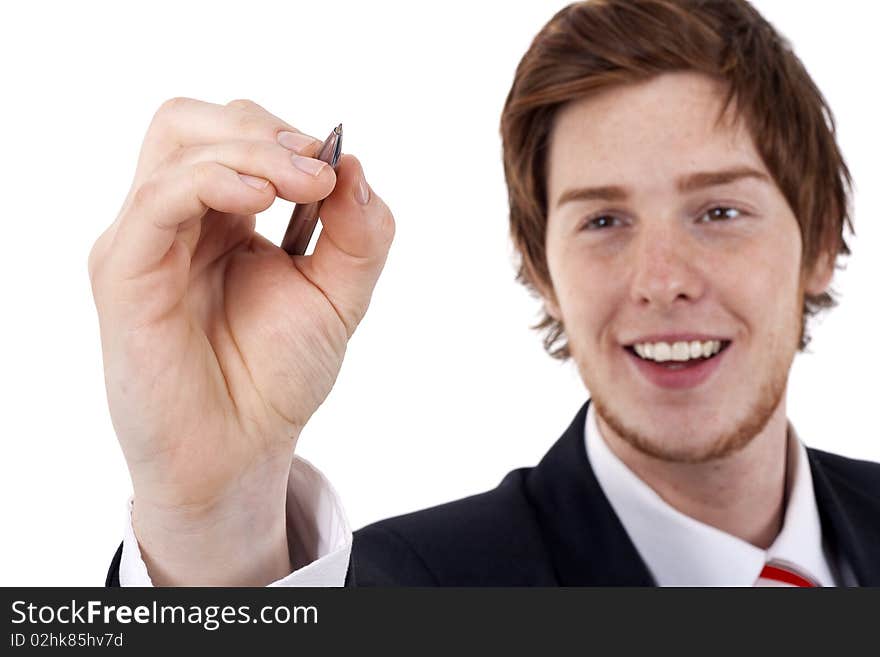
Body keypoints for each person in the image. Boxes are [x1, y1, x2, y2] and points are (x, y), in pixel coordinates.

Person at [93, 0, 880, 587]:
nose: (663, 280)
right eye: (604, 219)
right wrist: (209, 523)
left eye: (719, 211)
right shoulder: (405, 589)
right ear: (539, 265)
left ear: (817, 239)